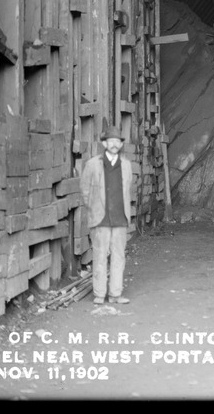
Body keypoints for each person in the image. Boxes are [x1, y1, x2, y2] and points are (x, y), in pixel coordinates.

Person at [81, 126, 133, 305]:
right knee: (100, 256)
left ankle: (115, 294)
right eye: (111, 141)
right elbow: (85, 190)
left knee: (119, 256)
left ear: (120, 144)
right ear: (104, 143)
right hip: (100, 219)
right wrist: (94, 208)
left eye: (117, 141)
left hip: (120, 218)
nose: (114, 144)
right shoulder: (93, 164)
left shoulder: (126, 165)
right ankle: (99, 294)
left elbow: (127, 189)